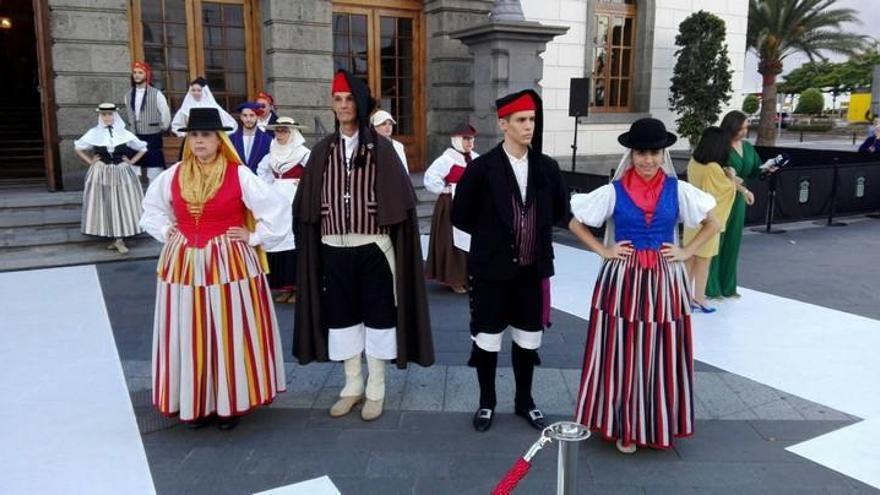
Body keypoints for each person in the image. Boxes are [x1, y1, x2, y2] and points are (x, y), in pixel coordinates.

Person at [568, 118, 720, 454]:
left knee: (660, 350)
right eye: (641, 152)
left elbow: (714, 223)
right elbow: (576, 222)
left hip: (665, 282)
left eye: (653, 152)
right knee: (622, 349)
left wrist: (686, 251)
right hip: (622, 281)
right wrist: (604, 250)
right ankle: (624, 425)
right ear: (632, 153)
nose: (648, 159)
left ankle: (655, 423)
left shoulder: (678, 190)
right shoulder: (614, 191)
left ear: (662, 153)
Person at [293, 70, 433, 422]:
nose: (342, 105)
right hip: (333, 249)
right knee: (341, 319)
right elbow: (306, 204)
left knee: (379, 318)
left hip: (374, 248)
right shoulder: (322, 151)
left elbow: (401, 202)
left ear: (360, 102)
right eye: (337, 99)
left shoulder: (383, 150)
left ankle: (376, 389)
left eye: (349, 99)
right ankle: (352, 386)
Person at [140, 107, 291, 430]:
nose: (199, 141)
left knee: (228, 329)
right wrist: (165, 229)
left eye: (206, 135)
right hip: (183, 263)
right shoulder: (174, 174)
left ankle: (229, 402)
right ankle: (196, 401)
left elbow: (276, 209)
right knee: (187, 329)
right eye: (194, 135)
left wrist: (254, 236)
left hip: (230, 263)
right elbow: (151, 208)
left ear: (219, 139)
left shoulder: (239, 175)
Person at [451, 90, 570, 433]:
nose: (528, 126)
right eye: (521, 120)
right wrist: (494, 240)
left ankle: (524, 401)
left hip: (531, 272)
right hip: (491, 271)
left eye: (532, 119)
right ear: (503, 124)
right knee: (487, 339)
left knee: (527, 339)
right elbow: (461, 216)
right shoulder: (481, 169)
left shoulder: (546, 167)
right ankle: (487, 401)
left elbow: (560, 209)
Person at [708, 110, 778, 299]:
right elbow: (720, 175)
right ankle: (711, 287)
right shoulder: (720, 148)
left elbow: (755, 170)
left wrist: (767, 169)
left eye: (747, 127)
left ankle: (728, 286)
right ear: (733, 127)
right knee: (717, 241)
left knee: (733, 241)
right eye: (743, 127)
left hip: (739, 199)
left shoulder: (747, 147)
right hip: (722, 198)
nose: (746, 130)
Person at [74, 103, 147, 254]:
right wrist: (90, 161)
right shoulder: (94, 132)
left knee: (122, 203)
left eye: (110, 114)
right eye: (104, 114)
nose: (107, 117)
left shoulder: (124, 133)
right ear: (100, 116)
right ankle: (114, 237)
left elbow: (142, 148)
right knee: (105, 203)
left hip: (121, 172)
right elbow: (78, 147)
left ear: (115, 115)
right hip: (101, 172)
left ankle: (119, 239)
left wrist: (132, 161)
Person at [256, 116, 311, 304]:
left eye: (284, 130)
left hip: (295, 199)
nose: (279, 134)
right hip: (276, 199)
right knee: (278, 238)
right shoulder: (271, 152)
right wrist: (269, 188)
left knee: (293, 239)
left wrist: (301, 186)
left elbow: (314, 174)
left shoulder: (303, 153)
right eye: (277, 130)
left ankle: (297, 287)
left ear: (292, 133)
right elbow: (262, 171)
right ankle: (284, 287)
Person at [683, 127, 738, 313]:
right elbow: (724, 191)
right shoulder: (713, 168)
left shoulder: (694, 162)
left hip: (692, 217)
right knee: (703, 261)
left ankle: (684, 297)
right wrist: (731, 177)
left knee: (688, 260)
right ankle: (699, 298)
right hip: (709, 220)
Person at [424, 122, 479, 294]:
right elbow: (430, 178)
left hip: (471, 204)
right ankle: (454, 278)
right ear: (456, 140)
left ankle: (470, 277)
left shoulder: (475, 157)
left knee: (472, 240)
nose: (469, 142)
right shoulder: (447, 159)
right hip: (451, 205)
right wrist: (445, 189)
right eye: (465, 139)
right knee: (452, 240)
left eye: (471, 139)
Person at [122, 61, 171, 184]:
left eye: (140, 72)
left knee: (154, 169)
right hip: (134, 135)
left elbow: (165, 113)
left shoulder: (156, 94)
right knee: (133, 168)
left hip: (152, 135)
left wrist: (162, 126)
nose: (137, 75)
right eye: (135, 73)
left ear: (147, 74)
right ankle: (134, 196)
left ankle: (153, 197)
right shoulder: (127, 95)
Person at [171, 77, 237, 137]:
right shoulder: (185, 108)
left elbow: (231, 124)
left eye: (199, 90)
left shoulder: (213, 107)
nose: (196, 93)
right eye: (193, 90)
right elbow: (176, 125)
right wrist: (184, 134)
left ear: (204, 91)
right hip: (191, 141)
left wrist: (218, 136)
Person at [230, 102, 272, 173]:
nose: (248, 119)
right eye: (245, 115)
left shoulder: (267, 140)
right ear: (241, 117)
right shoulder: (232, 139)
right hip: (238, 180)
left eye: (252, 115)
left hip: (259, 181)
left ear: (258, 117)